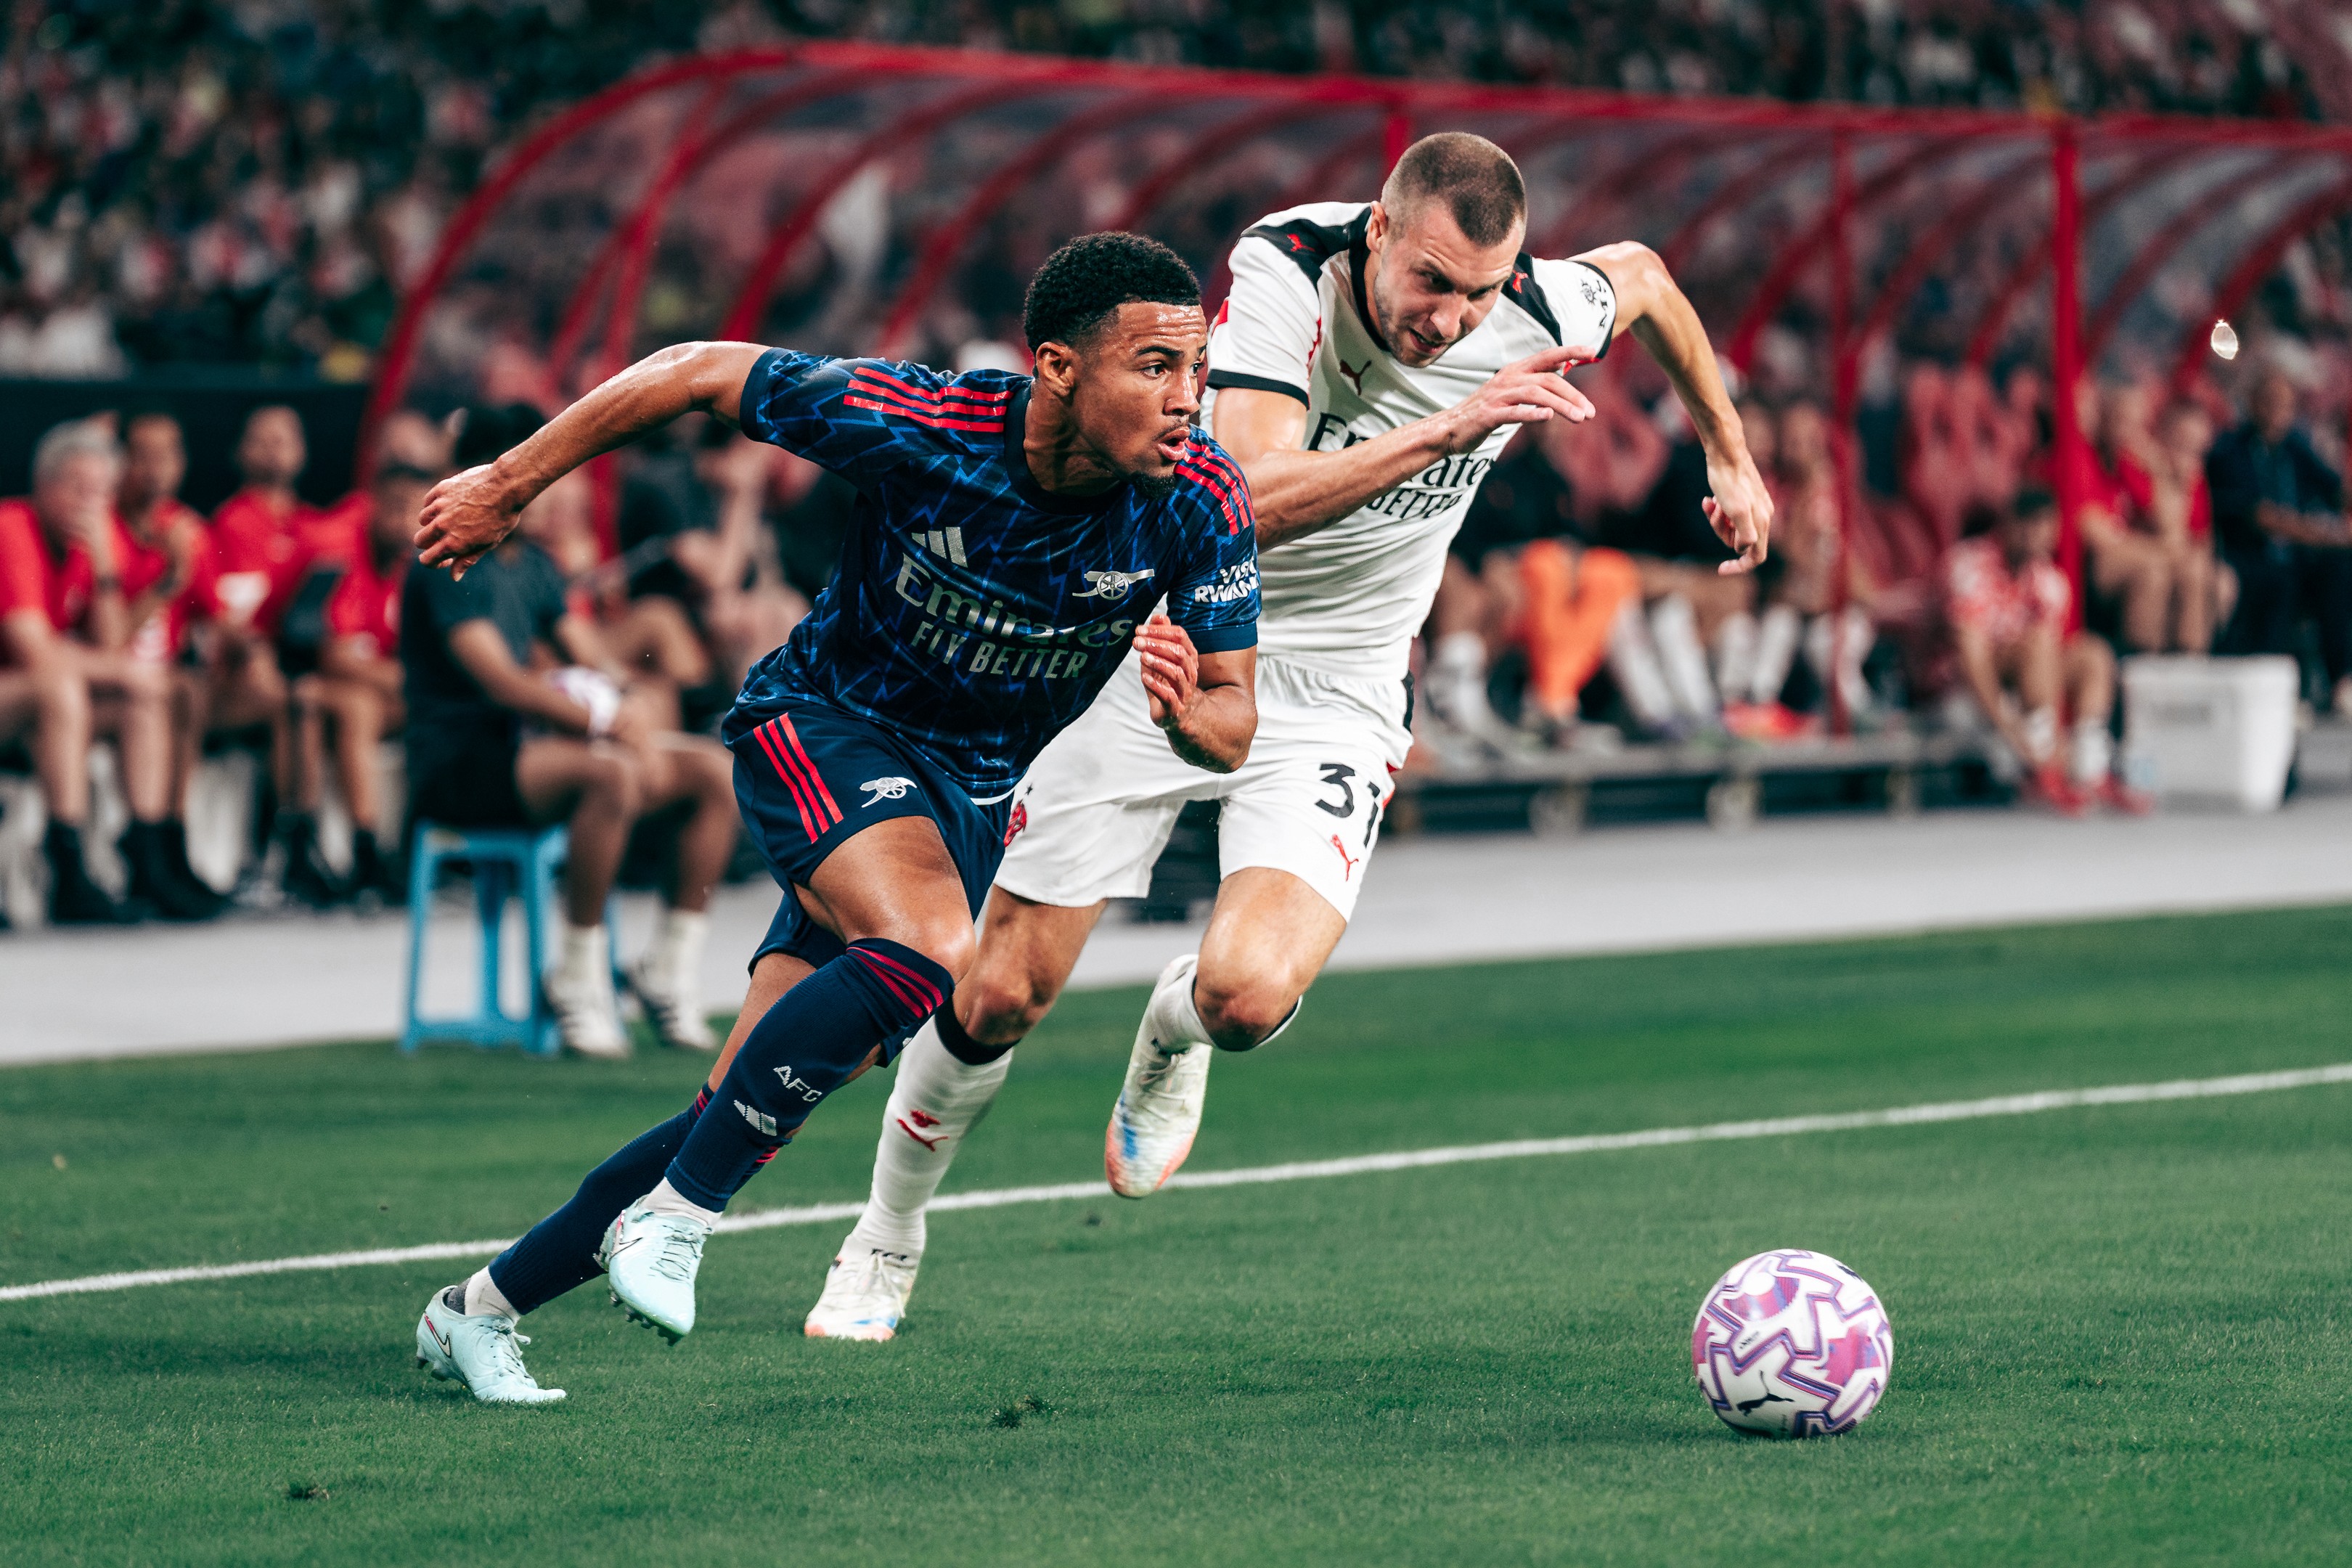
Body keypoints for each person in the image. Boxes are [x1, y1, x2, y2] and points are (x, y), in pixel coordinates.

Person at [799, 134, 1770, 1343]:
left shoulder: (1537, 304)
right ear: (1379, 231)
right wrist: (1449, 429)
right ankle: (885, 1237)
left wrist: (1731, 455)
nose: (1453, 320)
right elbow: (1244, 495)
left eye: (1480, 293)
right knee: (999, 992)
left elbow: (1650, 280)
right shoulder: (1288, 269)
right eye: (1432, 282)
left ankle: (1177, 1029)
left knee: (1247, 997)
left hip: (1343, 684)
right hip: (1173, 636)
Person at [408, 232, 1260, 1402]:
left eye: (1197, 368)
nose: (1187, 397)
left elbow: (1234, 721)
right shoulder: (928, 424)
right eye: (1155, 366)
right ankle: (680, 1219)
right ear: (1058, 367)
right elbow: (697, 369)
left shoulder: (1202, 499)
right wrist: (510, 484)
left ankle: (479, 1310)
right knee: (931, 949)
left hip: (966, 801)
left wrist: (1186, 716)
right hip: (824, 726)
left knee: (743, 1099)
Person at [401, 404, 740, 1058]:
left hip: (534, 753)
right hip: (460, 764)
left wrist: (631, 702)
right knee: (609, 775)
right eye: (538, 473)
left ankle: (666, 972)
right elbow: (501, 683)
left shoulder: (534, 563)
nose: (551, 491)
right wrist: (608, 720)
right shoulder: (446, 560)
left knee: (712, 773)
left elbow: (593, 656)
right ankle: (577, 980)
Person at [0, 420, 220, 921]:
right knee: (63, 687)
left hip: (32, 705)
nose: (90, 504)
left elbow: (112, 642)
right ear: (43, 484)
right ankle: (67, 866)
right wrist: (123, 671)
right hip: (23, 693)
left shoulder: (89, 543)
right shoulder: (11, 528)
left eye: (101, 492)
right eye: (78, 488)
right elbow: (35, 653)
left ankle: (147, 856)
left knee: (140, 700)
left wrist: (103, 565)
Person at [205, 404, 337, 904]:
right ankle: (284, 844)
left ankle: (306, 841)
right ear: (240, 453)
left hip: (301, 663)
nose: (274, 449)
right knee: (285, 698)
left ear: (302, 451)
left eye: (284, 438)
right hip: (237, 673)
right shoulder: (232, 522)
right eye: (262, 439)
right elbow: (230, 620)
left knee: (309, 696)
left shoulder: (314, 525)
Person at [1942, 490, 2141, 814]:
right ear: (2009, 525)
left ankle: (2090, 766)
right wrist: (2006, 726)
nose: (2039, 537)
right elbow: (1970, 653)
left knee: (2092, 655)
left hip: (2025, 691)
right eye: (2030, 526)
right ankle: (2040, 764)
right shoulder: (1969, 565)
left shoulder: (2050, 582)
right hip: (1968, 688)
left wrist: (2060, 735)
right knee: (2035, 642)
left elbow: (2047, 669)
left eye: (2047, 527)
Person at [295, 461, 433, 902]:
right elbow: (335, 657)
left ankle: (418, 847)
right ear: (371, 505)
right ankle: (366, 848)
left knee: (435, 709)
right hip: (309, 682)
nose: (405, 521)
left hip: (377, 688)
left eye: (416, 511)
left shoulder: (414, 561)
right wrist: (407, 677)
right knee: (360, 706)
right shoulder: (341, 548)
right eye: (395, 507)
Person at [115, 409, 231, 913]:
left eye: (165, 455)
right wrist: (171, 576)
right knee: (169, 692)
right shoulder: (102, 529)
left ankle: (172, 836)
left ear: (182, 463)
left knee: (192, 688)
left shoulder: (188, 529)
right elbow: (110, 639)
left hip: (168, 682)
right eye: (141, 455)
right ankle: (150, 847)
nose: (154, 469)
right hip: (115, 683)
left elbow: (216, 620)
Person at [2208, 368, 2352, 710]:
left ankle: (2342, 679)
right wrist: (2324, 534)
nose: (2278, 412)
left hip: (2295, 556)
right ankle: (2278, 691)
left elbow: (2334, 488)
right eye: (2271, 402)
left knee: (2339, 569)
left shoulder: (2295, 447)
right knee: (2280, 580)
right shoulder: (2231, 450)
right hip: (2248, 556)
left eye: (2286, 405)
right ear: (2253, 403)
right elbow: (2261, 516)